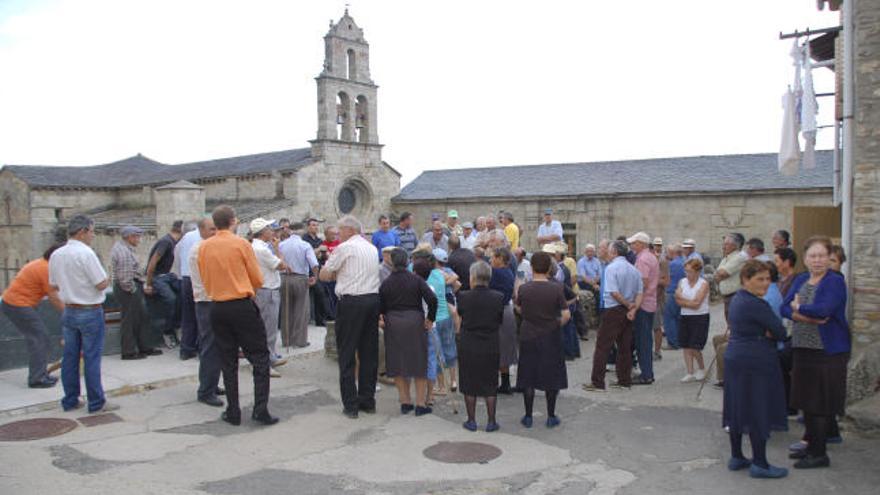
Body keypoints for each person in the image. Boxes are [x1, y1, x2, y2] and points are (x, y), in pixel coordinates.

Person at [198, 206, 277, 426]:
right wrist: (245, 288)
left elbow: (205, 279)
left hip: (218, 305)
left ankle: (233, 411)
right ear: (233, 221)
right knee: (260, 357)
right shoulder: (241, 244)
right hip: (241, 304)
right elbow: (258, 278)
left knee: (227, 360)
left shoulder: (204, 247)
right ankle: (260, 409)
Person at [781, 236, 851, 470]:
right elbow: (784, 307)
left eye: (822, 256)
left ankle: (820, 454)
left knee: (820, 403)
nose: (818, 260)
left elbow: (824, 311)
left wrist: (799, 307)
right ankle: (811, 448)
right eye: (813, 256)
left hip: (827, 353)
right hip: (803, 349)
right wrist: (804, 315)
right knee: (806, 402)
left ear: (829, 258)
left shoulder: (834, 281)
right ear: (805, 258)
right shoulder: (801, 278)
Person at [723, 259, 789, 479]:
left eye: (768, 279)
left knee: (737, 405)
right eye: (759, 279)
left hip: (736, 356)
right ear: (745, 280)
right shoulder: (755, 304)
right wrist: (767, 332)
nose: (765, 283)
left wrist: (766, 331)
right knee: (758, 407)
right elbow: (780, 332)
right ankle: (760, 462)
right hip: (755, 359)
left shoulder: (738, 299)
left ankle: (736, 456)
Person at [49, 214, 117, 413]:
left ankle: (70, 400)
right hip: (89, 310)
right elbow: (101, 283)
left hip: (69, 309)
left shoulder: (57, 254)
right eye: (91, 231)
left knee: (70, 358)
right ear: (82, 232)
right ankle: (96, 402)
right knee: (91, 358)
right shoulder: (86, 254)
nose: (93, 235)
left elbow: (53, 284)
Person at [319, 215, 381, 419]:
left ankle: (351, 405)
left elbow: (325, 274)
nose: (338, 234)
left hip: (351, 302)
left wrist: (334, 273)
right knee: (368, 353)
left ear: (349, 230)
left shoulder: (345, 248)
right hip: (371, 300)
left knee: (347, 353)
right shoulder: (371, 248)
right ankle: (367, 400)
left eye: (340, 230)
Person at [513, 251, 570, 428]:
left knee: (528, 375)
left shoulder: (524, 288)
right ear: (548, 268)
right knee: (551, 375)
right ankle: (551, 415)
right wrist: (556, 323)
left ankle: (528, 416)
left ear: (532, 268)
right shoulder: (556, 288)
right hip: (550, 335)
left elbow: (518, 308)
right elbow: (566, 314)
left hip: (528, 334)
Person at [379, 247, 437, 416]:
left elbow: (380, 305)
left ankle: (405, 401)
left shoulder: (386, 282)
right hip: (415, 322)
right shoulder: (416, 280)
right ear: (407, 262)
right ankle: (420, 403)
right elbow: (432, 299)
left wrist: (383, 317)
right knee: (418, 362)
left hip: (393, 323)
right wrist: (430, 319)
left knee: (397, 361)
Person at [1, 241, 65, 388]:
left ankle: (40, 374)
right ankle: (37, 378)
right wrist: (68, 314)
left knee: (38, 338)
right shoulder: (46, 269)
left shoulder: (41, 264)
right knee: (39, 338)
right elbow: (54, 297)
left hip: (16, 303)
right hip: (18, 304)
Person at [583, 240, 642, 391]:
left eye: (609, 251)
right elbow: (640, 292)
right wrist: (633, 308)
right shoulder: (633, 269)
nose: (608, 253)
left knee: (603, 346)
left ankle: (598, 382)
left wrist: (628, 305)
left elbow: (613, 292)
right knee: (624, 346)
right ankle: (624, 380)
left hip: (614, 309)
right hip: (627, 309)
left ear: (614, 252)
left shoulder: (611, 268)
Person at [457, 260, 505, 432]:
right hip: (491, 342)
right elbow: (499, 320)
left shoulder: (463, 297)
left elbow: (461, 317)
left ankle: (472, 420)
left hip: (469, 342)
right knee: (490, 381)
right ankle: (491, 421)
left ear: (473, 277)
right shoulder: (498, 297)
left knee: (469, 381)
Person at [187, 216, 224, 407]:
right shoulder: (200, 250)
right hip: (206, 301)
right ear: (201, 231)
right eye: (211, 229)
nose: (215, 232)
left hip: (212, 300)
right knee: (210, 346)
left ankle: (211, 383)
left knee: (216, 346)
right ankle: (206, 390)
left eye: (216, 229)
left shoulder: (208, 248)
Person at [110, 225, 162, 360]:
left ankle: (144, 347)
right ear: (130, 237)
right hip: (128, 288)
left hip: (131, 286)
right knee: (130, 320)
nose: (139, 239)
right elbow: (125, 278)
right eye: (137, 236)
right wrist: (133, 290)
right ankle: (129, 351)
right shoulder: (123, 252)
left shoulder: (124, 249)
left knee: (140, 318)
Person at [251, 218, 289, 375]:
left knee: (269, 327)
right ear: (263, 232)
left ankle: (270, 357)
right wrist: (278, 249)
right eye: (269, 228)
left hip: (265, 289)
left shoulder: (258, 247)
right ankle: (265, 362)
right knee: (268, 328)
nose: (272, 231)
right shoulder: (262, 249)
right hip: (267, 290)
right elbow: (281, 265)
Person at [712, 233, 747, 388]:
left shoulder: (739, 257)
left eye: (726, 244)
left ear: (735, 245)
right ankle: (724, 375)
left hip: (734, 296)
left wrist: (719, 275)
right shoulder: (727, 258)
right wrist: (718, 275)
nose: (724, 246)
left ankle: (731, 375)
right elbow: (716, 274)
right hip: (726, 297)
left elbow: (722, 273)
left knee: (733, 332)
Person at [279, 223, 319, 348]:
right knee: (301, 310)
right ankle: (300, 340)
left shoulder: (281, 244)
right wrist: (315, 277)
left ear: (290, 231)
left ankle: (286, 340)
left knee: (286, 309)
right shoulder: (305, 245)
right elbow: (314, 263)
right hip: (300, 277)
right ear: (302, 231)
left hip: (284, 277)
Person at [145, 220, 183, 348]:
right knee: (171, 300)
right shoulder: (166, 242)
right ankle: (167, 331)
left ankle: (178, 327)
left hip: (168, 275)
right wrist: (149, 283)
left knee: (183, 295)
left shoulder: (175, 243)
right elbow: (152, 263)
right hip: (158, 277)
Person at [629, 232, 658, 385]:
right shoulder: (651, 256)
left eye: (634, 243)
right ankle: (647, 373)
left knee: (643, 341)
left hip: (643, 303)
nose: (632, 246)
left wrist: (633, 301)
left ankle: (646, 374)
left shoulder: (643, 259)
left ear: (641, 243)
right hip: (650, 302)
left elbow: (643, 282)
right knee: (645, 339)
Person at [675, 258, 710, 383]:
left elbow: (697, 303)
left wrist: (683, 300)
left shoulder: (703, 284)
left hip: (700, 316)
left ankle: (701, 368)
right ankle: (689, 371)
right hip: (685, 315)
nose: (687, 274)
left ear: (697, 272)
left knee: (695, 345)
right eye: (686, 271)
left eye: (690, 272)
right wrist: (689, 302)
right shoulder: (682, 281)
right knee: (685, 344)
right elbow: (677, 299)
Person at [490, 247, 518, 394]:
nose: (491, 260)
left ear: (500, 259)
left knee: (495, 348)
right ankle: (505, 383)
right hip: (507, 311)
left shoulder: (495, 273)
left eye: (493, 257)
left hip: (497, 311)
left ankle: (494, 383)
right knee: (505, 349)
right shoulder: (509, 272)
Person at [175, 222, 201, 360]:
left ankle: (186, 348)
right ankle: (202, 349)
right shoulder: (204, 238)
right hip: (199, 279)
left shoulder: (185, 239)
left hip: (185, 278)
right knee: (203, 315)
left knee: (188, 316)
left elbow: (177, 256)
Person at [662, 244, 685, 350]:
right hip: (682, 293)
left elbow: (666, 278)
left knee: (669, 318)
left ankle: (672, 342)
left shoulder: (672, 264)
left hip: (671, 292)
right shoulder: (685, 262)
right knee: (678, 318)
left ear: (673, 253)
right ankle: (680, 340)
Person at [653, 237, 669, 360]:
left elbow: (665, 281)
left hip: (657, 299)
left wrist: (652, 281)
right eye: (655, 245)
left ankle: (657, 351)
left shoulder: (663, 261)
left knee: (657, 326)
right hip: (649, 298)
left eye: (659, 245)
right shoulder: (651, 259)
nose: (657, 247)